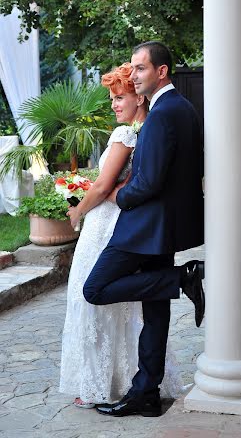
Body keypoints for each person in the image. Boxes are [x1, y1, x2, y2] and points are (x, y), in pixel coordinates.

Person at [83, 41, 205, 418]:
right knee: (155, 314)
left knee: (96, 288)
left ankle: (182, 278)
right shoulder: (179, 108)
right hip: (161, 227)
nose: (133, 76)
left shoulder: (164, 113)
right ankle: (145, 393)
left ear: (161, 71)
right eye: (133, 69)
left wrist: (118, 196)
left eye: (139, 68)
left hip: (144, 227)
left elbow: (148, 182)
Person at [59, 62, 181, 408]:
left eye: (120, 97)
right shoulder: (139, 133)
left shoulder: (125, 135)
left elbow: (101, 186)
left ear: (138, 100)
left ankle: (100, 383)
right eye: (112, 98)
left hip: (104, 226)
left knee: (92, 300)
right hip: (119, 220)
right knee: (119, 309)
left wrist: (77, 209)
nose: (114, 104)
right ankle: (114, 380)